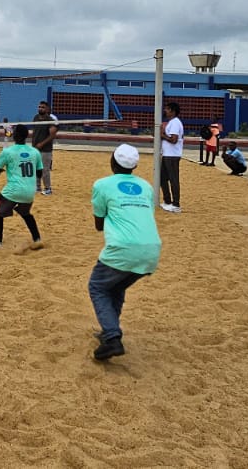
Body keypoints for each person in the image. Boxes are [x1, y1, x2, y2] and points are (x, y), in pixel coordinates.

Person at [87, 144, 163, 360]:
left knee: (97, 287)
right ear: (135, 165)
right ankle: (110, 330)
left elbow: (99, 224)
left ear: (112, 161)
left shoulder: (102, 184)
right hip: (151, 250)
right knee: (116, 288)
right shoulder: (146, 186)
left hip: (124, 247)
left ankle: (112, 337)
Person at [0, 124, 44, 248]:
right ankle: (37, 239)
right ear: (26, 136)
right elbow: (39, 173)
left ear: (14, 135)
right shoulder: (35, 152)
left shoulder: (8, 152)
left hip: (13, 190)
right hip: (30, 191)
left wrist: (3, 171)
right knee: (26, 214)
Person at [158, 102, 184, 213]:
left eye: (167, 109)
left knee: (173, 179)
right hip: (167, 155)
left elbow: (173, 140)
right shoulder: (171, 122)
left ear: (172, 111)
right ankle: (167, 201)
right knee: (162, 178)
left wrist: (162, 135)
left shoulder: (175, 123)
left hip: (172, 156)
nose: (165, 111)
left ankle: (176, 204)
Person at [32, 101, 59, 195]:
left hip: (46, 149)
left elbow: (52, 135)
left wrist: (42, 143)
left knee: (45, 169)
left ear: (47, 109)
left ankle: (48, 188)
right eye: (39, 107)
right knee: (36, 168)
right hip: (35, 148)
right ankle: (37, 187)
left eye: (43, 107)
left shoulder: (50, 120)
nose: (40, 108)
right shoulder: (35, 118)